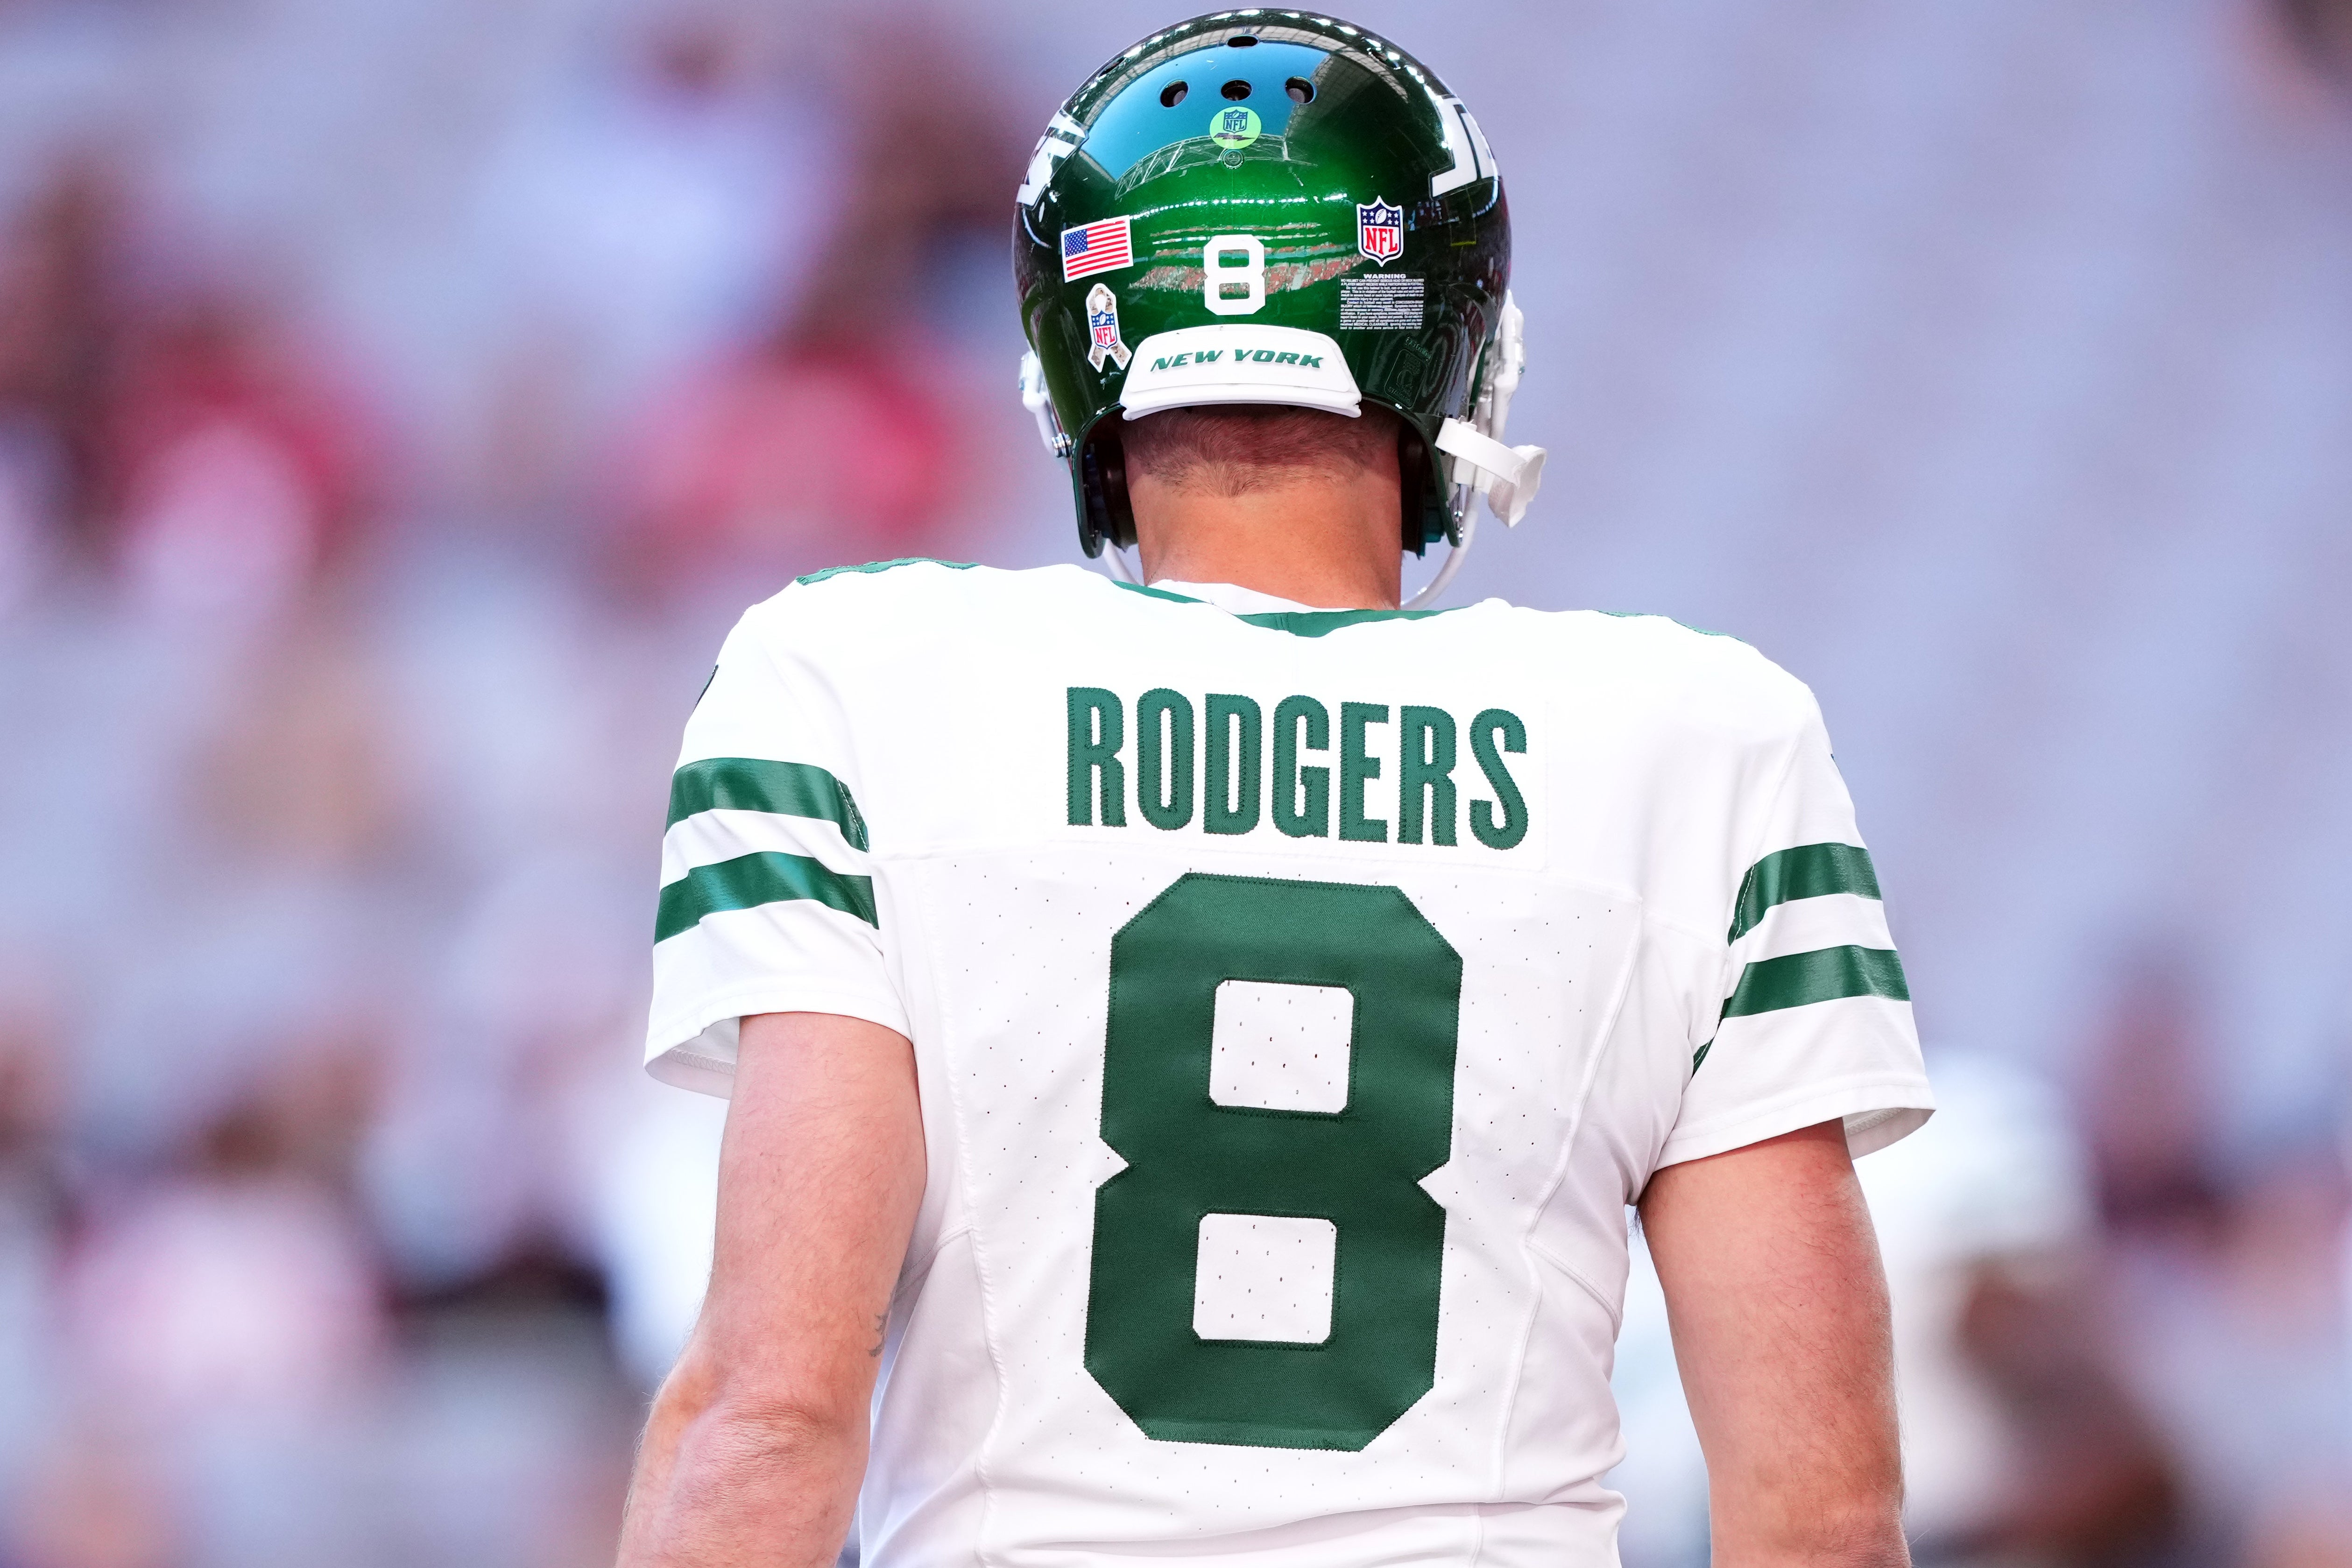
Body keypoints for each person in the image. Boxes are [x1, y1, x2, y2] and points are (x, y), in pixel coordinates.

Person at [615, 14, 1934, 1568]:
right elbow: (1821, 1513)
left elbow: (770, 1412)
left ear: (1077, 353)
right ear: (1450, 340)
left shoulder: (854, 678)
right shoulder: (1700, 738)